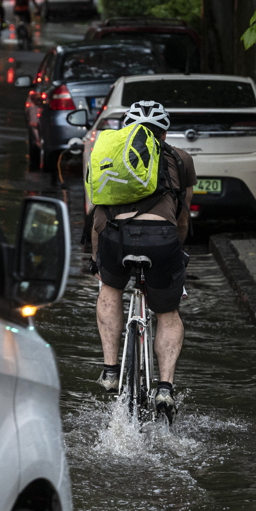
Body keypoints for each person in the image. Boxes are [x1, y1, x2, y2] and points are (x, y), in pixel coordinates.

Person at [91, 100, 195, 422]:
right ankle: (164, 387)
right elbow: (182, 216)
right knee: (168, 311)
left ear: (126, 129)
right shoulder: (181, 158)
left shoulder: (107, 156)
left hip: (114, 238)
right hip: (162, 241)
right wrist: (174, 253)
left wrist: (98, 261)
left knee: (109, 291)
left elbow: (96, 212)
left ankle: (110, 369)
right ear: (164, 134)